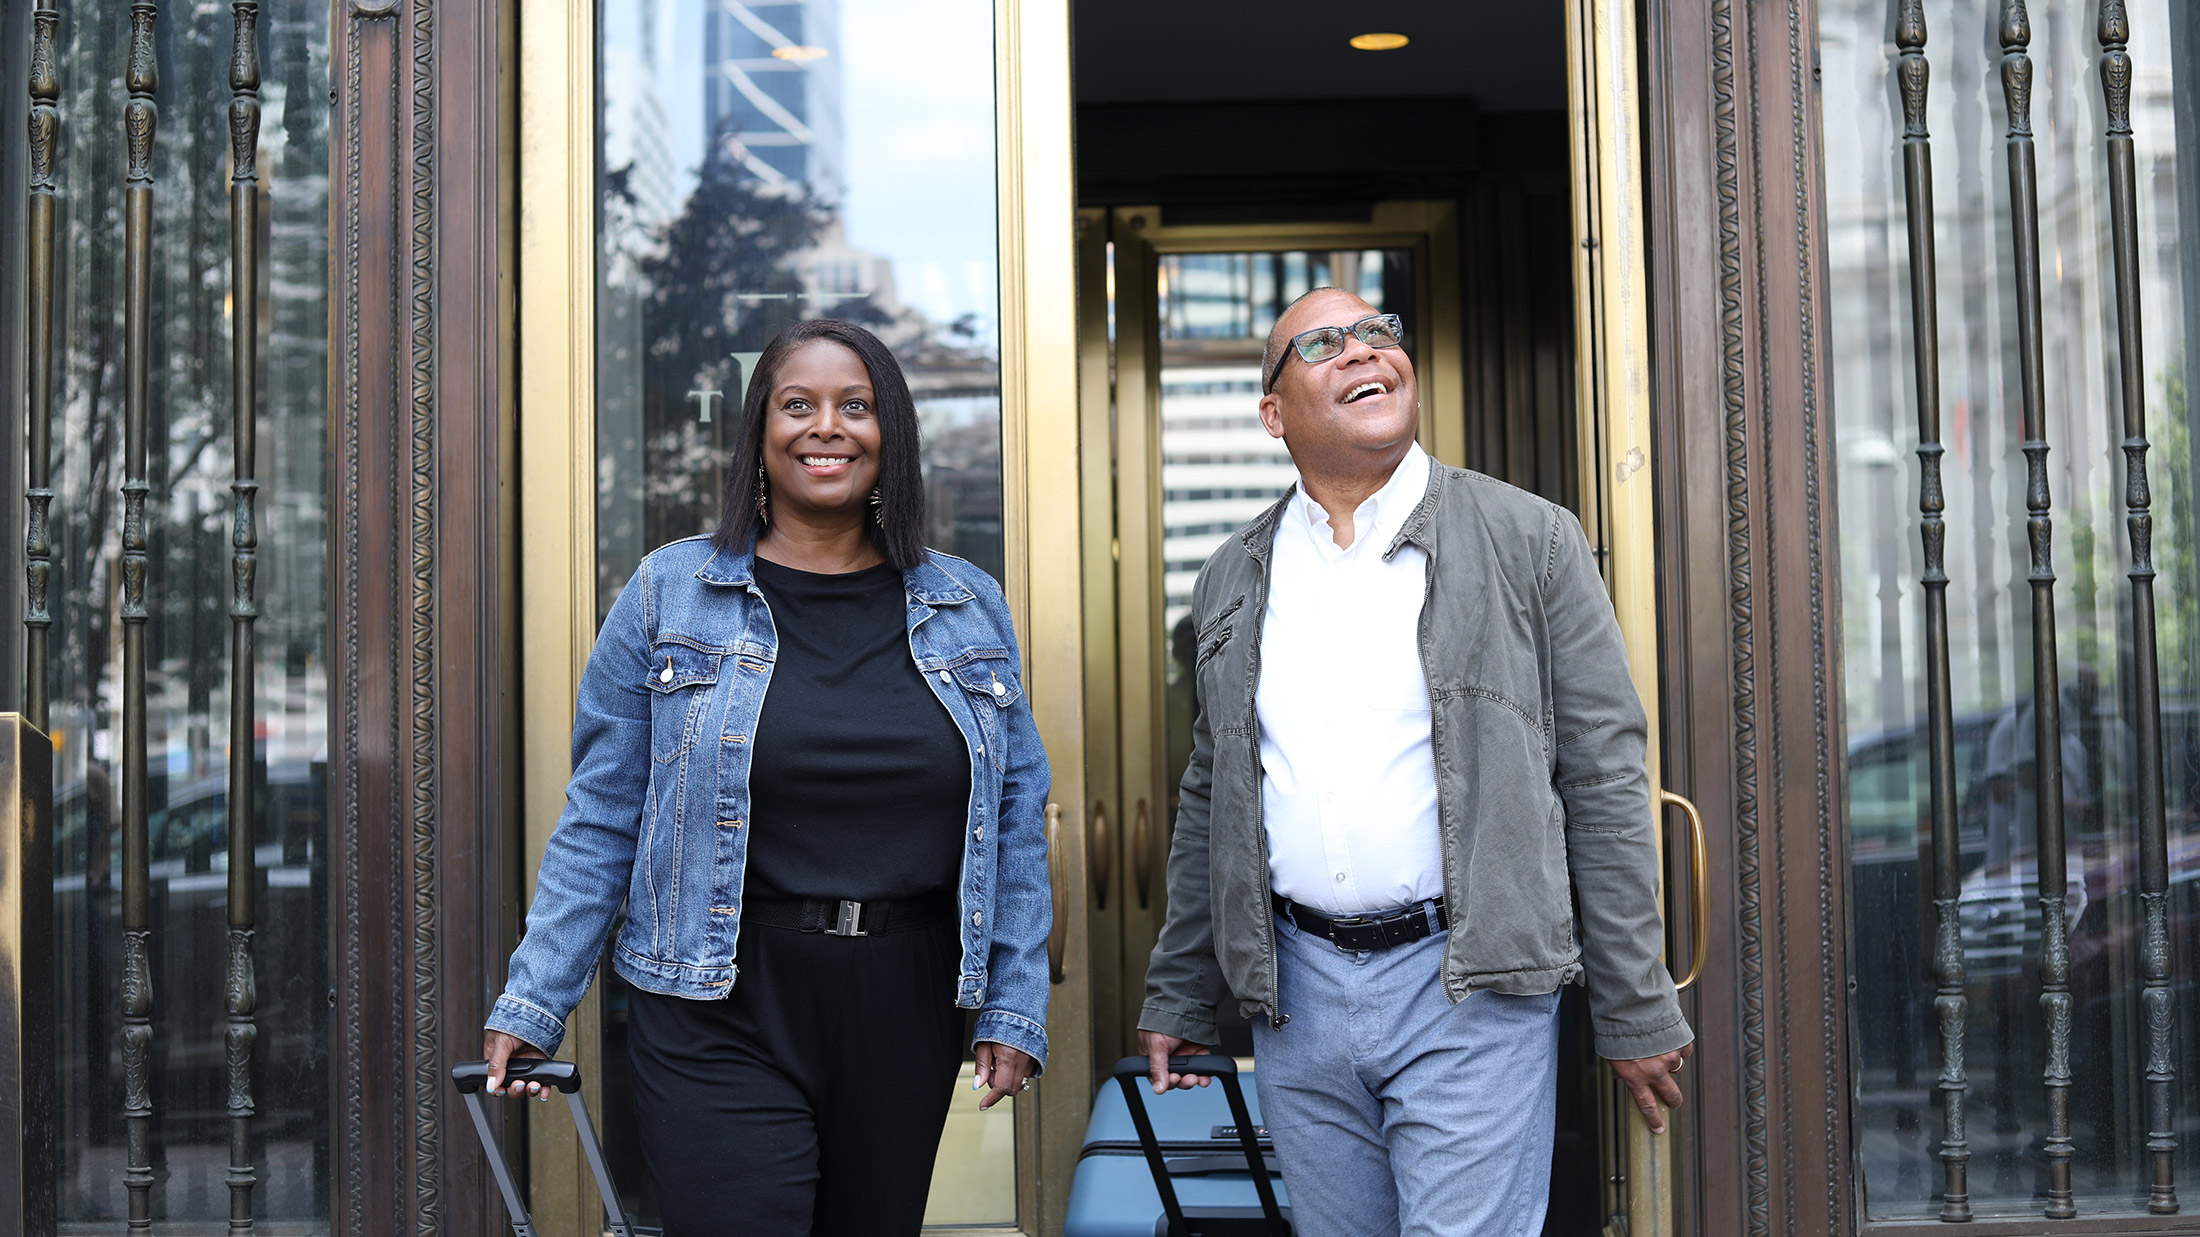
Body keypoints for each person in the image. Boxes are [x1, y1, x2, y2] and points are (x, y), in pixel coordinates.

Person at [1136, 288, 1693, 1236]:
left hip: (1467, 987)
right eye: (1322, 343)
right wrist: (1183, 987)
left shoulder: (1532, 539)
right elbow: (1213, 798)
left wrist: (1634, 1004)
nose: (1363, 351)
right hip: (1296, 997)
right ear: (1273, 414)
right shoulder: (1234, 574)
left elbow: (1603, 783)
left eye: (1378, 332)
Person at [481, 319, 1052, 1237]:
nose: (827, 426)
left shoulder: (967, 601)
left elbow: (1017, 811)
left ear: (889, 436)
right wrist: (537, 993)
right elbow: (603, 813)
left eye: (855, 406)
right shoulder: (670, 591)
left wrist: (1014, 1001)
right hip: (717, 999)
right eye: (799, 404)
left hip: (904, 1002)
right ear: (760, 432)